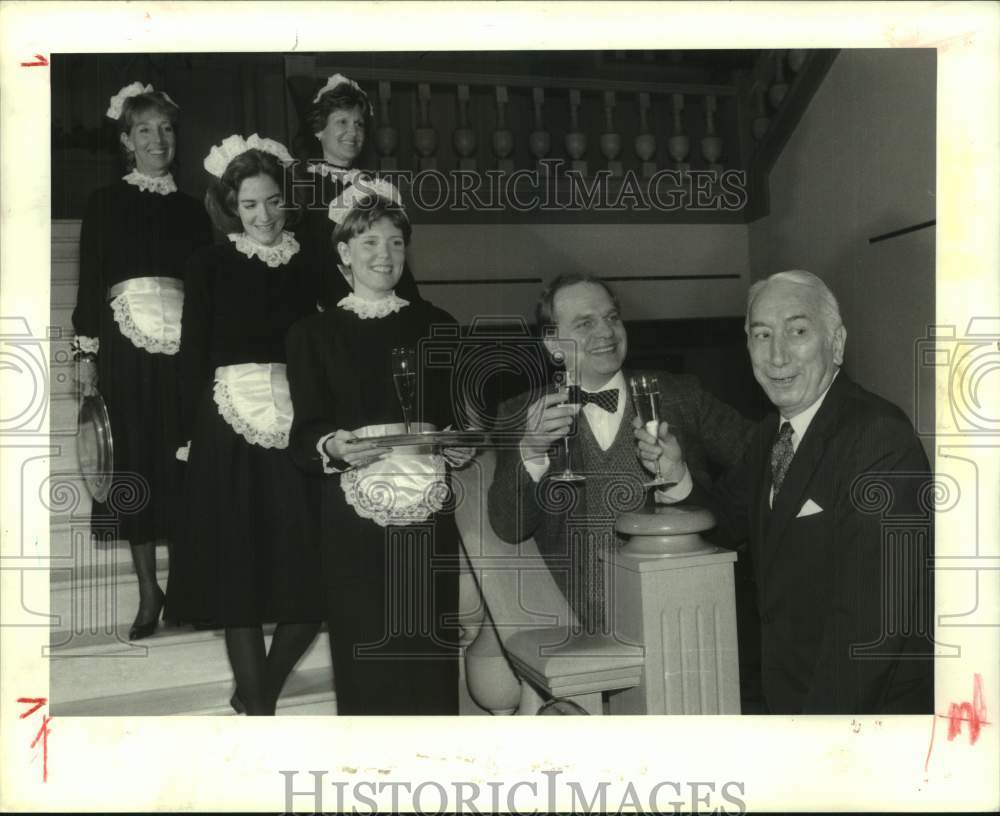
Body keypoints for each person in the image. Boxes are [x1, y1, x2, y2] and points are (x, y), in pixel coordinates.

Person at [638, 270, 934, 714]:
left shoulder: (877, 437)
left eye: (797, 331)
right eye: (762, 334)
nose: (777, 356)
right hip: (792, 695)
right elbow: (725, 523)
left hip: (861, 714)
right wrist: (677, 473)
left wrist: (814, 739)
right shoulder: (771, 436)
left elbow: (873, 624)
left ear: (836, 343)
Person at [285, 183, 469, 715]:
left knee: (428, 648)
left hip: (428, 508)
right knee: (365, 651)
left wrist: (459, 442)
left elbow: (458, 416)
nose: (383, 256)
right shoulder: (311, 335)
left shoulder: (437, 325)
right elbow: (303, 436)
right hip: (351, 516)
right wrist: (332, 445)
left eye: (394, 243)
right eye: (368, 243)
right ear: (343, 253)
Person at [487, 273, 752, 633]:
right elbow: (508, 527)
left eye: (612, 318)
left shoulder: (682, 396)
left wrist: (681, 481)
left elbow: (762, 459)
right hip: (571, 633)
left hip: (676, 619)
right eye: (585, 323)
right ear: (553, 344)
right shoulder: (521, 413)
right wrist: (530, 451)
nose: (606, 332)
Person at [164, 134, 324, 715]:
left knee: (310, 578)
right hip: (225, 425)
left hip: (298, 426)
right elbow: (193, 353)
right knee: (239, 576)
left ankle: (261, 689)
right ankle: (258, 709)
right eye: (251, 204)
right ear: (232, 205)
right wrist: (187, 436)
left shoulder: (312, 261)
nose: (264, 215)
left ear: (287, 200)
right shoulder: (206, 263)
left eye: (273, 201)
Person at [72, 81, 212, 640]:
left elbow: (205, 292)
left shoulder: (191, 211)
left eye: (167, 128)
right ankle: (148, 590)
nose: (159, 139)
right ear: (127, 140)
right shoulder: (104, 204)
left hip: (183, 352)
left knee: (180, 461)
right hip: (125, 348)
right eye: (146, 130)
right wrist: (87, 356)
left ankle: (186, 587)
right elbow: (91, 284)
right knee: (135, 462)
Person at [292, 72, 420, 310]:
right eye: (342, 122)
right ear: (320, 130)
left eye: (359, 124)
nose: (353, 132)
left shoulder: (374, 187)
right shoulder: (301, 184)